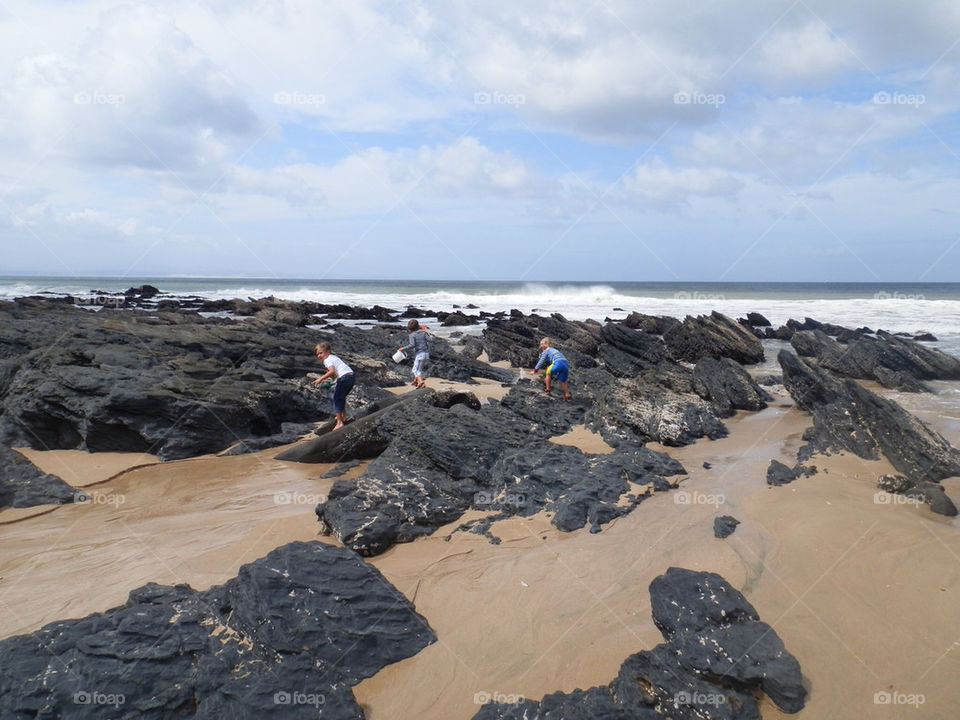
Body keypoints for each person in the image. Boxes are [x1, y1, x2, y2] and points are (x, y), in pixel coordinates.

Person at [312, 342, 354, 430]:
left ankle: (339, 422)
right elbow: (334, 373)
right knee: (341, 397)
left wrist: (320, 379)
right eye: (317, 354)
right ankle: (343, 416)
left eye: (321, 353)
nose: (319, 356)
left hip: (344, 377)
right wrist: (332, 381)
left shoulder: (327, 360)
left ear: (328, 352)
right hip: (351, 377)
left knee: (336, 398)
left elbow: (331, 371)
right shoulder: (334, 357)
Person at [399, 319, 431, 389]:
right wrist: (425, 331)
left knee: (415, 370)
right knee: (418, 369)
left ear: (409, 328)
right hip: (426, 354)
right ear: (418, 326)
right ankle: (416, 381)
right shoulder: (423, 333)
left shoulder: (412, 335)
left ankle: (421, 382)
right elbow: (430, 340)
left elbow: (412, 345)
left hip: (420, 355)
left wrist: (402, 349)